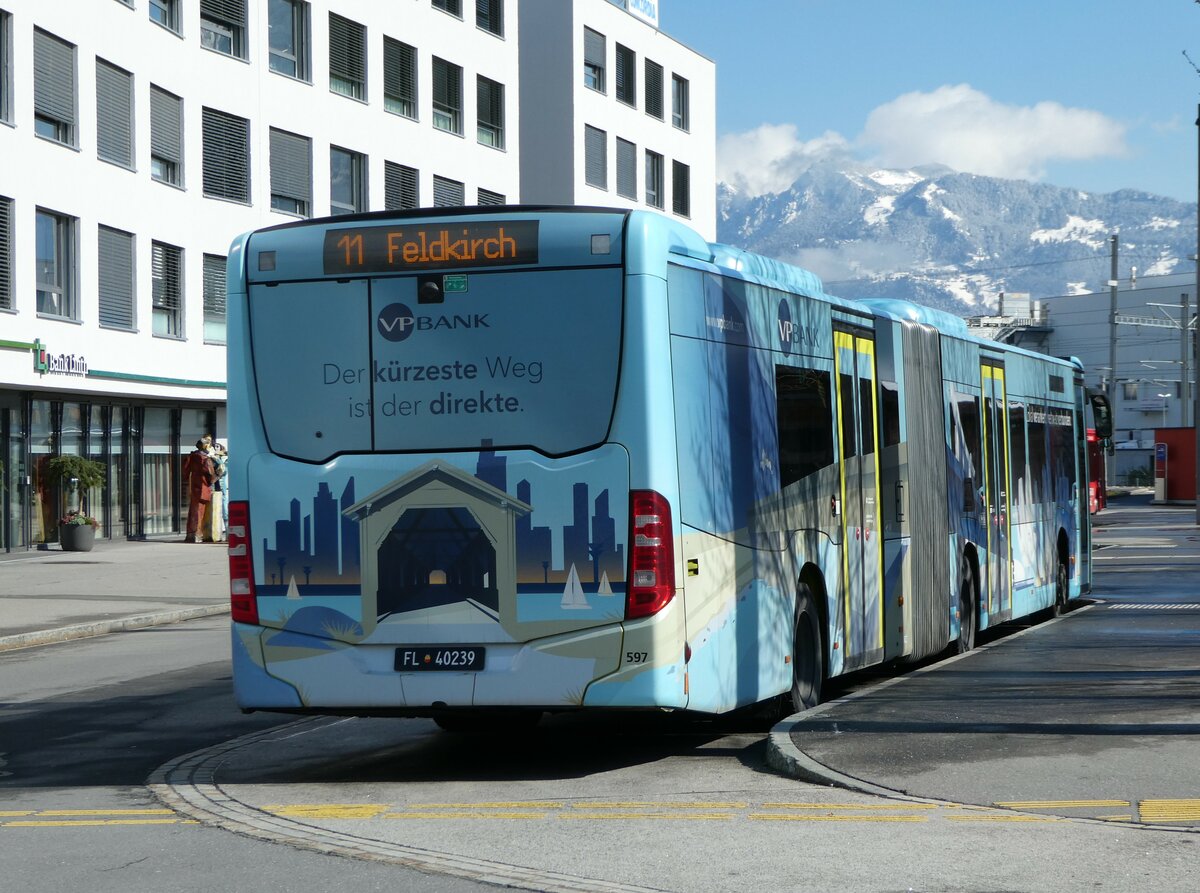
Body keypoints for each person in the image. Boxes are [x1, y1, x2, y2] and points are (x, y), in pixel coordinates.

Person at [184, 439, 215, 544]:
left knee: (193, 511)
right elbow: (211, 475)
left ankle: (190, 534)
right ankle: (197, 534)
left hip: (194, 486)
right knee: (200, 512)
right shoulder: (205, 459)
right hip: (203, 487)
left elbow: (185, 472)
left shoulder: (191, 457)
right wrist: (218, 475)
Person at [209, 442, 228, 543]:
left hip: (225, 489)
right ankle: (217, 533)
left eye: (217, 447)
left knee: (226, 512)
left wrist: (216, 458)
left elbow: (222, 470)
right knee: (219, 511)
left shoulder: (224, 460)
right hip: (218, 488)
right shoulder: (214, 460)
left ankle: (228, 535)